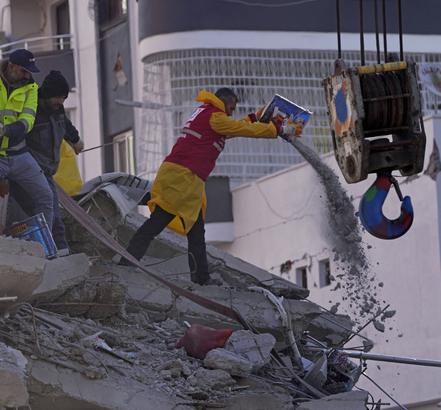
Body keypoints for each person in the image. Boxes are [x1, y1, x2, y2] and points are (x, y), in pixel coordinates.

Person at [120, 87, 304, 285]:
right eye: (231, 108)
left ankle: (201, 277)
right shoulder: (215, 117)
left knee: (196, 231)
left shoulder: (207, 113)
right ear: (223, 102)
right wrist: (281, 130)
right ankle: (126, 263)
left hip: (184, 178)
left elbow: (234, 127)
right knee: (157, 222)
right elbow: (242, 129)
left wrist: (254, 117)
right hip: (181, 178)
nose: (232, 112)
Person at [0, 49, 54, 237]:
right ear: (11, 66)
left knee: (46, 196)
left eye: (30, 72)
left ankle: (45, 247)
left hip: (18, 153)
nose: (27, 76)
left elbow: (28, 120)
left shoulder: (31, 88)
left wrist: (6, 130)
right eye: (24, 71)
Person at [19, 70, 83, 255]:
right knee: (48, 210)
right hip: (30, 170)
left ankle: (55, 250)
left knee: (50, 210)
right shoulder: (30, 109)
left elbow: (66, 127)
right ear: (46, 94)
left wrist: (76, 141)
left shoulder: (58, 110)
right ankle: (54, 250)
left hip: (47, 171)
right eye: (57, 97)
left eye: (64, 98)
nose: (61, 102)